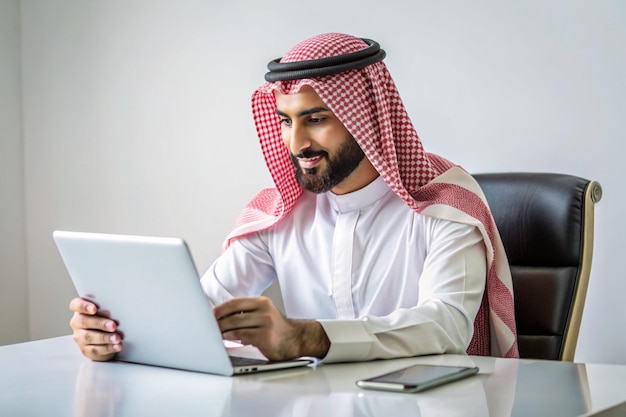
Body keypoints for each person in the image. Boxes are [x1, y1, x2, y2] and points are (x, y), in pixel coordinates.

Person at [69, 33, 519, 363]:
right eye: (284, 121)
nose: (297, 142)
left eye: (315, 119)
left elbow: (446, 324)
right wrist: (118, 334)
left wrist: (309, 338)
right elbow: (200, 308)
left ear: (367, 116)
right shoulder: (281, 212)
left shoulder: (443, 201)